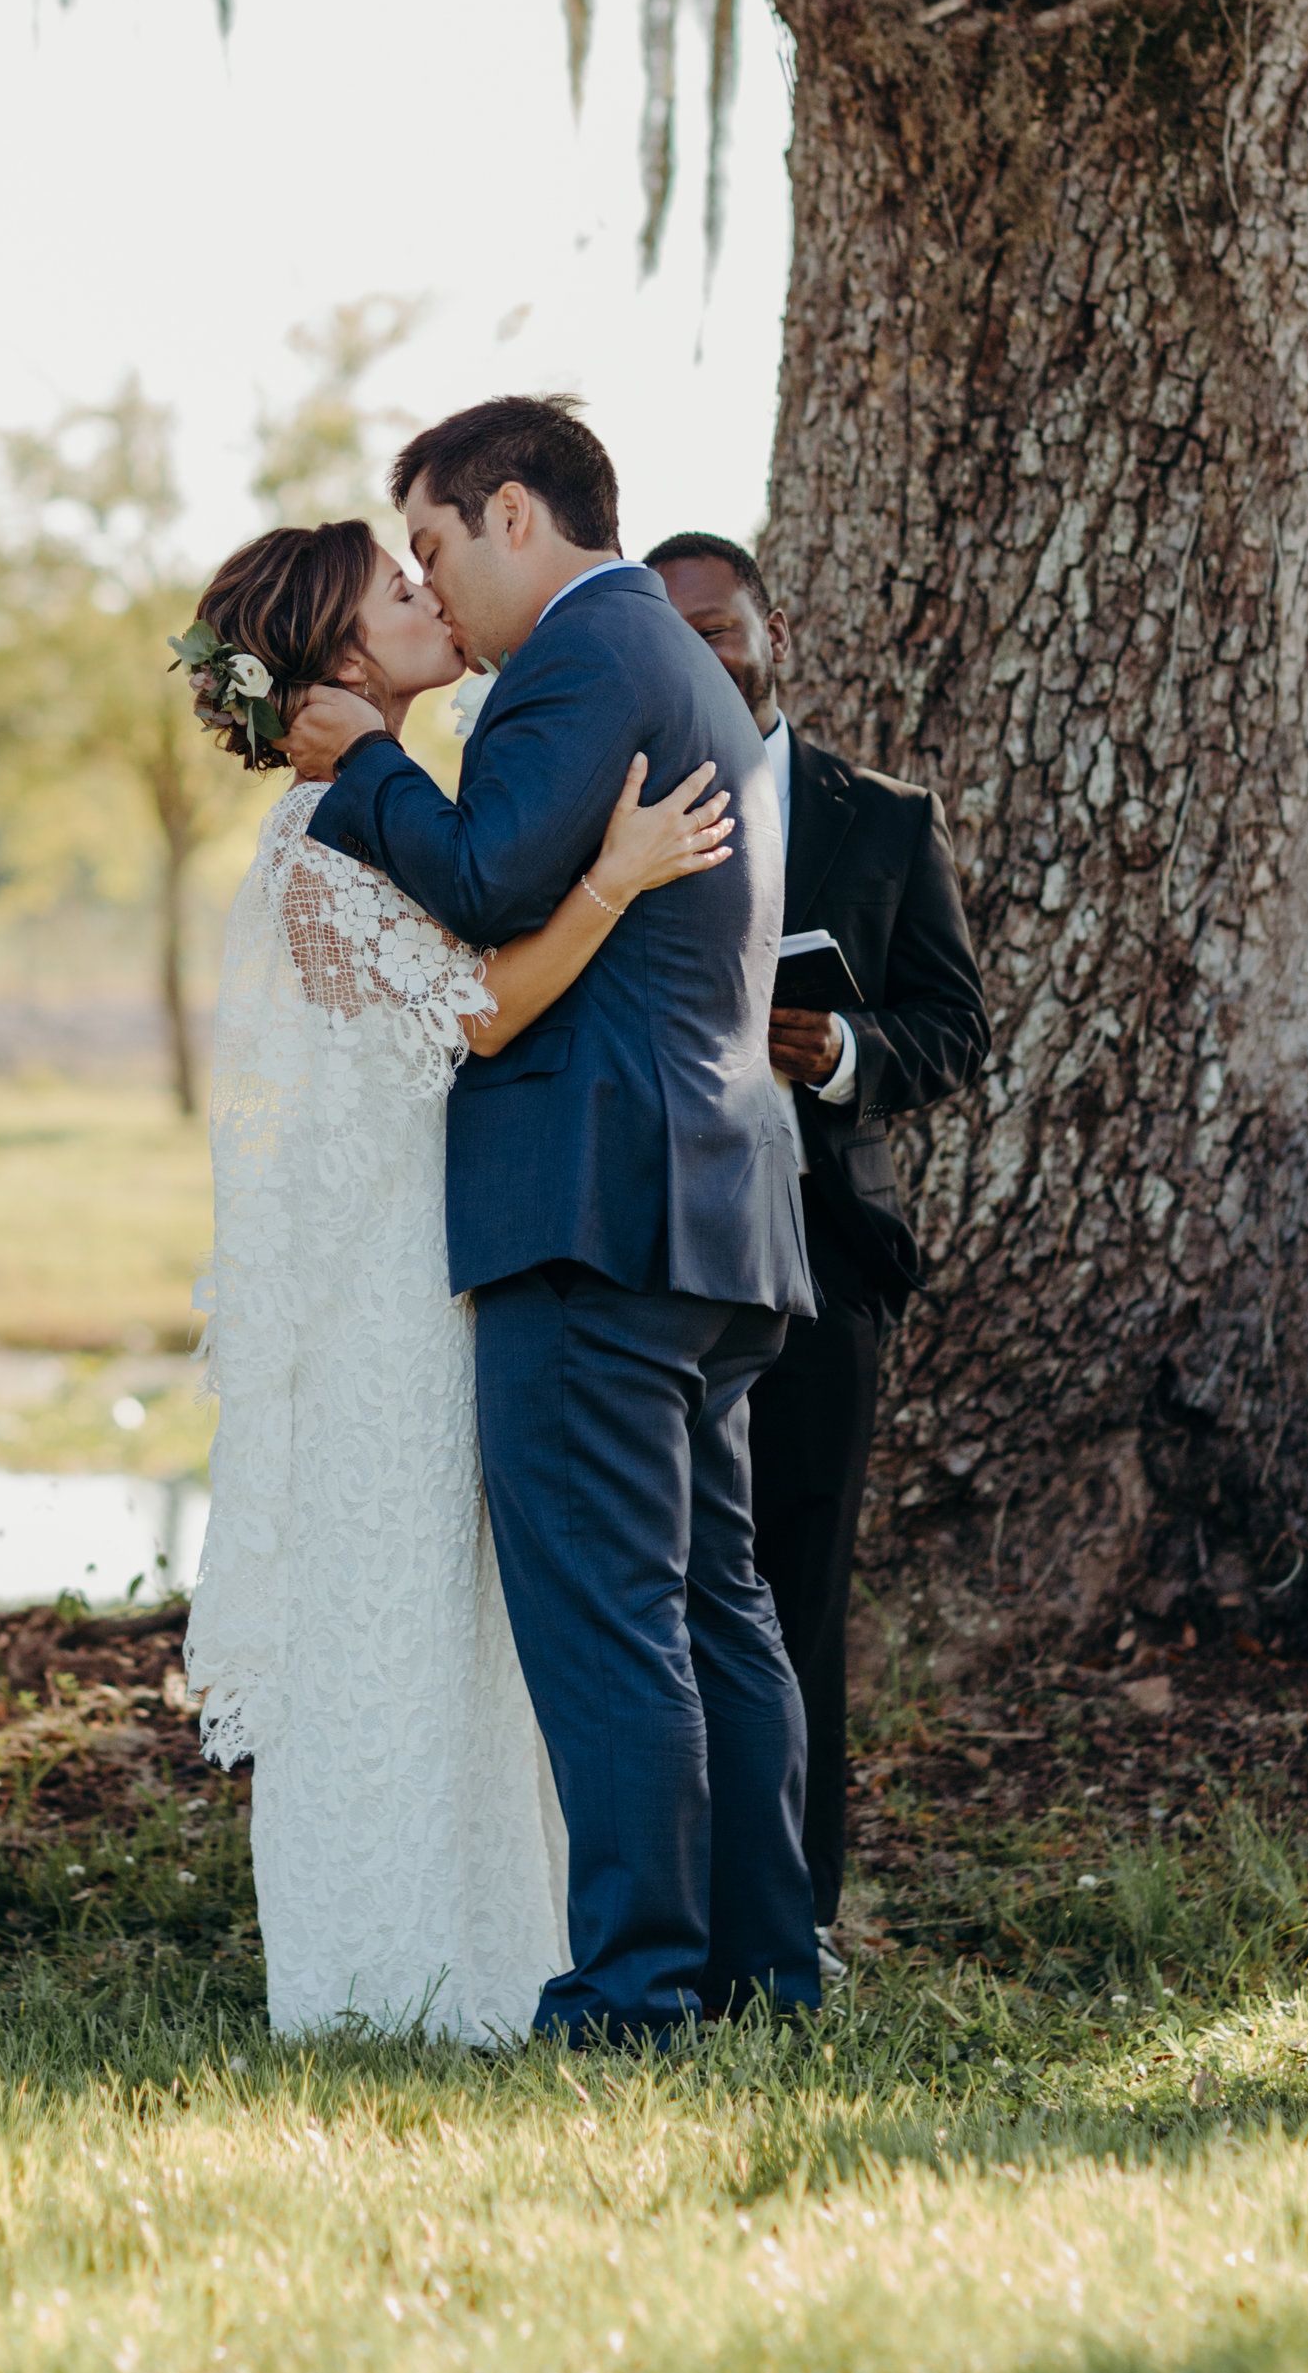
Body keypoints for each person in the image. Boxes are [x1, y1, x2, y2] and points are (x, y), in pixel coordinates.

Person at [287, 398, 820, 2044]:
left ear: (513, 514)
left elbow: (494, 877)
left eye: (437, 549)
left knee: (610, 1617)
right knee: (715, 1608)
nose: (435, 595)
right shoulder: (665, 657)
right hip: (710, 1208)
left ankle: (638, 1991)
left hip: (596, 1208)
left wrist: (365, 768)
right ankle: (760, 1972)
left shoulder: (584, 658)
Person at [185, 515, 739, 2040]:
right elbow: (481, 1013)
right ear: (348, 656)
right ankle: (382, 1972)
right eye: (400, 586)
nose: (434, 595)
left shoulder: (396, 802)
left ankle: (490, 1957)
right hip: (387, 1296)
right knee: (389, 1608)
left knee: (469, 1621)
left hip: (440, 1270)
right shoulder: (326, 838)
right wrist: (619, 877)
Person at [649, 531, 989, 1967]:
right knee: (656, 1591)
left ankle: (800, 1911)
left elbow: (956, 1027)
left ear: (772, 628)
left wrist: (842, 1047)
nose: (707, 660)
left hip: (824, 1256)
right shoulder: (628, 806)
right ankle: (657, 1891)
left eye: (722, 630)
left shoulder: (886, 820)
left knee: (797, 1588)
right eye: (678, 642)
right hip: (659, 1254)